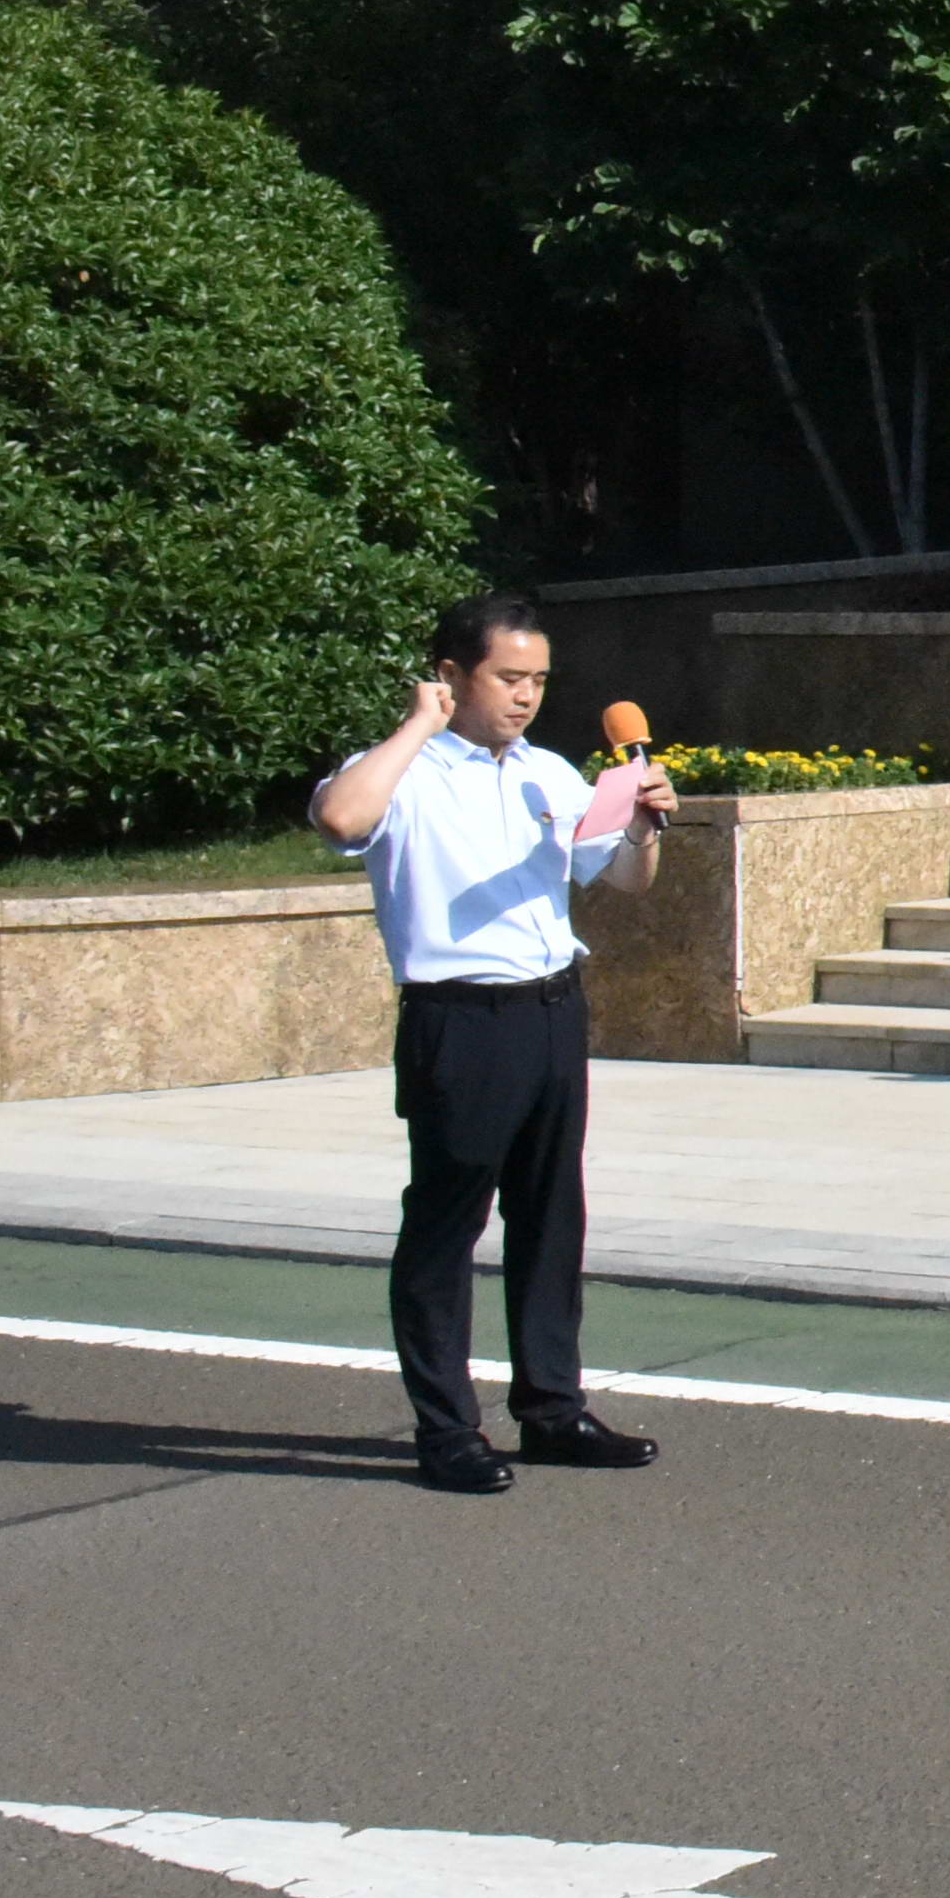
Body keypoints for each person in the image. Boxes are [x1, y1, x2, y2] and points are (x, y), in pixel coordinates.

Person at [308, 596, 673, 1493]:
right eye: (509, 678)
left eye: (540, 680)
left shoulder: (549, 773)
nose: (526, 696)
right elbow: (341, 822)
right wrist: (415, 723)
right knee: (446, 1223)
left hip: (553, 1011)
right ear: (451, 674)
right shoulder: (402, 772)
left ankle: (552, 1409)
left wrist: (645, 825)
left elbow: (624, 880)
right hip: (460, 1019)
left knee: (551, 1217)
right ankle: (446, 1430)